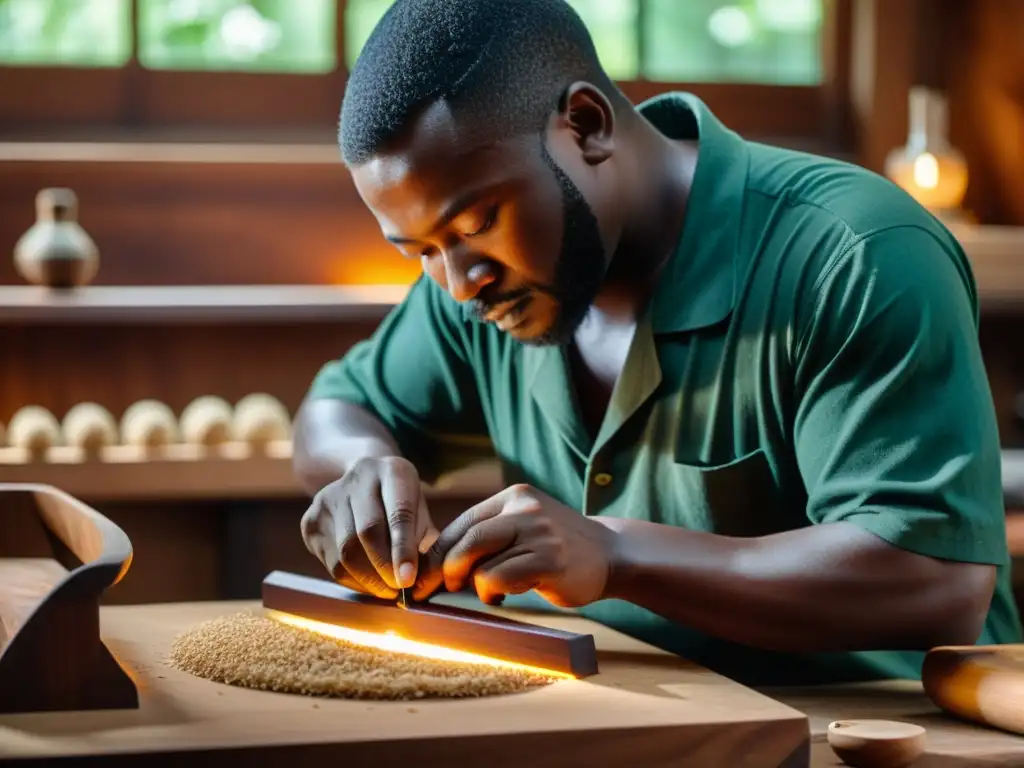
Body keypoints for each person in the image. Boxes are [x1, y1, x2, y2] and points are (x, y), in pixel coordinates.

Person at [293, 0, 1022, 686]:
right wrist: (367, 474)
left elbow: (935, 581)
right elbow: (338, 407)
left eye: (477, 222)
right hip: (603, 722)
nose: (456, 282)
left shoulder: (855, 253)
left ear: (586, 125)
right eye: (417, 249)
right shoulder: (488, 286)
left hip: (856, 736)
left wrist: (614, 553)